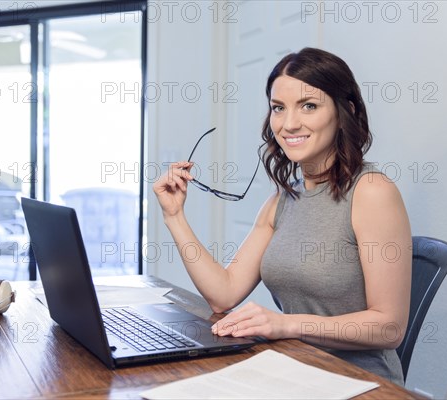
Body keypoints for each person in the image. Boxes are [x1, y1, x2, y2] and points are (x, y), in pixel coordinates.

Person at [152, 47, 412, 385]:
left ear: (344, 110)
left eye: (309, 106)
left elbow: (389, 327)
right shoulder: (283, 199)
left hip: (360, 382)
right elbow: (224, 294)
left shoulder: (372, 191)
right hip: (295, 371)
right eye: (278, 108)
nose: (289, 123)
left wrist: (285, 324)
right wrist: (175, 217)